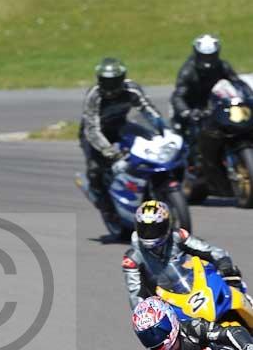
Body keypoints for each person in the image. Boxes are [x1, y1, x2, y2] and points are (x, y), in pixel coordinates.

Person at [80, 57, 165, 216]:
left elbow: (148, 110)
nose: (110, 86)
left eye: (114, 81)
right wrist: (111, 152)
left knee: (150, 144)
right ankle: (106, 207)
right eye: (106, 81)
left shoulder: (132, 89)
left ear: (122, 79)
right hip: (95, 133)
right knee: (95, 170)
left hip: (120, 126)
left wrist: (164, 129)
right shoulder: (94, 95)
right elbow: (91, 128)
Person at [122, 199, 241, 310]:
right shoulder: (132, 258)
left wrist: (223, 263)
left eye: (155, 229)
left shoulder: (178, 236)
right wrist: (144, 311)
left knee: (233, 284)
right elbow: (136, 294)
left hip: (193, 290)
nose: (150, 234)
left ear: (167, 225)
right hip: (165, 306)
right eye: (145, 229)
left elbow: (210, 251)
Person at [171, 34, 250, 192]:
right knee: (190, 136)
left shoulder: (222, 65)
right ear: (197, 54)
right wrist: (187, 111)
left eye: (212, 56)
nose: (208, 60)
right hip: (194, 108)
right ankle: (192, 169)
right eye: (204, 56)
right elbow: (178, 95)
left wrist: (248, 96)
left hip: (216, 105)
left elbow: (238, 83)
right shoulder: (188, 70)